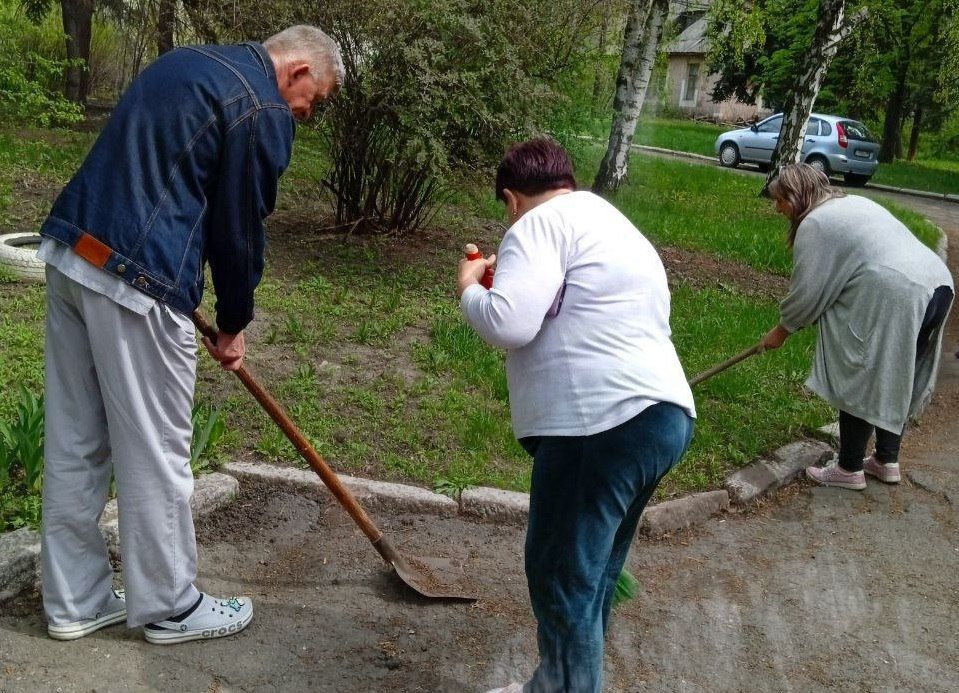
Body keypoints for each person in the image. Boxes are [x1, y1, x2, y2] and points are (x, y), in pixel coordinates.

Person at [38, 25, 343, 644]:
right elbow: (240, 231)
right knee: (155, 454)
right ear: (301, 71)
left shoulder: (188, 62)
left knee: (74, 444)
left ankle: (75, 602)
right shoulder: (259, 104)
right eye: (318, 100)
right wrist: (233, 324)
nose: (308, 114)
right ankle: (172, 606)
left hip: (72, 253)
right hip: (137, 280)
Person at [458, 138, 696, 693]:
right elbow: (570, 308)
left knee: (562, 579)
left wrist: (470, 289)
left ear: (512, 199)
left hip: (596, 426)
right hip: (661, 419)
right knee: (593, 578)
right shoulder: (610, 223)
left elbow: (509, 325)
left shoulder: (535, 226)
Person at [760, 164, 953, 491]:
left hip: (900, 293)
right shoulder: (852, 202)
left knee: (858, 371)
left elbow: (807, 292)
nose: (777, 208)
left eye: (780, 200)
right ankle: (885, 460)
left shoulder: (816, 223)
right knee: (898, 372)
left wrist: (781, 331)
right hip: (938, 286)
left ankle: (849, 468)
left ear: (796, 195)